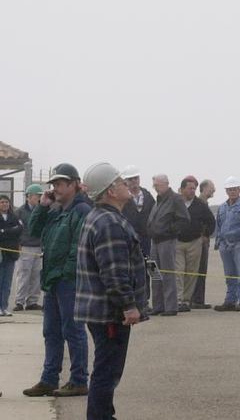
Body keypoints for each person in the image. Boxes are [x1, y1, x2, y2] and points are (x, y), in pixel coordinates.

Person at [76, 162, 147, 420]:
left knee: (107, 368)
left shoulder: (104, 217)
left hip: (102, 310)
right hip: (110, 312)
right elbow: (114, 273)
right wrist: (129, 305)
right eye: (118, 182)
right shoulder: (109, 223)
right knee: (107, 371)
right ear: (109, 192)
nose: (125, 185)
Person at [22, 163, 92, 398]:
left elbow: (78, 246)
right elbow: (33, 229)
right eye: (54, 184)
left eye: (60, 184)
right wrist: (42, 206)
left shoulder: (81, 210)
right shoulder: (55, 209)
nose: (56, 188)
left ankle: (79, 379)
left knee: (72, 330)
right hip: (53, 279)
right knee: (51, 331)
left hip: (67, 279)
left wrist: (66, 272)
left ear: (74, 184)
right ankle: (49, 378)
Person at [147, 174, 188, 316]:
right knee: (154, 273)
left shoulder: (176, 199)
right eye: (154, 185)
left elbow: (184, 219)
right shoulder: (158, 200)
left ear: (165, 184)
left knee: (168, 273)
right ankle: (158, 305)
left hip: (166, 241)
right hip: (154, 242)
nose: (155, 188)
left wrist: (170, 231)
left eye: (157, 185)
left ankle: (171, 307)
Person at [213, 177, 240, 311]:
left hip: (239, 245)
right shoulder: (222, 208)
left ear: (239, 190)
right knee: (229, 274)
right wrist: (219, 242)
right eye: (230, 190)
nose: (232, 192)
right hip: (225, 245)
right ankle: (230, 300)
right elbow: (219, 226)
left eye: (234, 189)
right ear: (226, 191)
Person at [175, 176, 215, 312]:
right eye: (190, 188)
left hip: (194, 243)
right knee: (178, 272)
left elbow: (211, 221)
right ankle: (178, 300)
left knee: (192, 273)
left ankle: (186, 301)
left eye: (194, 188)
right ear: (182, 189)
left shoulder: (200, 205)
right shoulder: (176, 202)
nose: (193, 191)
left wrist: (205, 235)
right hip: (177, 243)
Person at [13, 183, 45, 312]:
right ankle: (19, 301)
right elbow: (17, 230)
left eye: (39, 196)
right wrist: (18, 244)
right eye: (37, 196)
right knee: (23, 274)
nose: (38, 198)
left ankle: (32, 301)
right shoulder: (20, 212)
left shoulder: (43, 210)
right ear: (28, 197)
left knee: (36, 275)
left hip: (39, 246)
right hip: (25, 247)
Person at [190, 178, 217, 308]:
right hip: (199, 242)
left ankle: (198, 299)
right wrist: (204, 235)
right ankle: (197, 300)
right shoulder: (200, 203)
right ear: (204, 188)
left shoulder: (203, 203)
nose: (214, 190)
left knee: (200, 270)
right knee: (199, 269)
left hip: (202, 241)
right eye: (212, 187)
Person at [120, 166, 155, 258]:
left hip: (145, 239)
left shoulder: (148, 196)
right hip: (128, 238)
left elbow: (154, 215)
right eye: (130, 179)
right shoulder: (121, 197)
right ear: (125, 181)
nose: (134, 181)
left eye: (136, 178)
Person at [0, 193, 21, 316]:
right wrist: (10, 231)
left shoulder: (14, 216)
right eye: (2, 202)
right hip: (1, 253)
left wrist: (4, 231)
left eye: (6, 202)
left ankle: (5, 307)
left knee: (7, 282)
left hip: (11, 254)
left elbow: (19, 229)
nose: (4, 204)